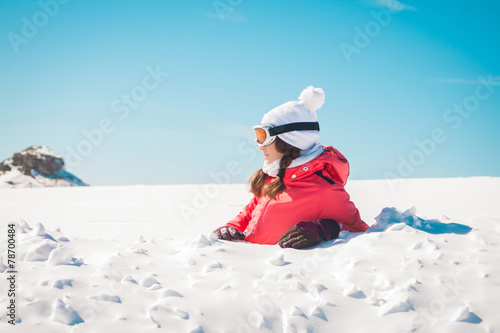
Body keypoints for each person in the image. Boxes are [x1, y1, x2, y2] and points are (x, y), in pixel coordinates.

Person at [213, 86, 369, 249]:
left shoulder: (326, 191)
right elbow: (250, 211)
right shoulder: (274, 178)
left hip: (288, 271)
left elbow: (361, 233)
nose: (260, 146)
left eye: (264, 137)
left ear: (290, 140)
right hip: (254, 268)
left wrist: (327, 228)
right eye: (258, 137)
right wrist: (232, 227)